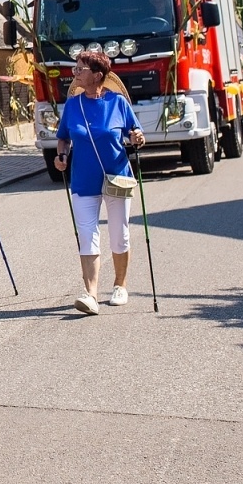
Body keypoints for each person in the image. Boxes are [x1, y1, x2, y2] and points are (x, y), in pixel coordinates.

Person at [54, 49, 145, 314]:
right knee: (87, 235)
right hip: (83, 180)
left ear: (97, 75)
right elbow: (63, 137)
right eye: (76, 68)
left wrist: (138, 137)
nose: (75, 73)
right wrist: (62, 156)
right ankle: (91, 294)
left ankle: (120, 285)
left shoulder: (118, 103)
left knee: (119, 233)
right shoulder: (73, 105)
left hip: (117, 176)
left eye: (80, 69)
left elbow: (135, 133)